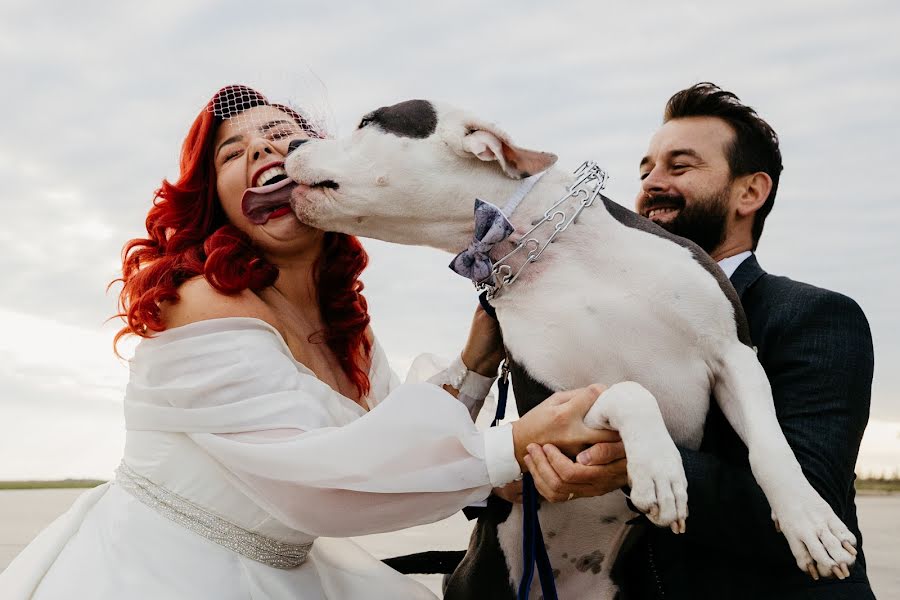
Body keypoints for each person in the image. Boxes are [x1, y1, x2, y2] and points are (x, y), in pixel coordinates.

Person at [0, 85, 614, 600]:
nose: (262, 147)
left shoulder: (346, 322)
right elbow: (318, 482)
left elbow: (393, 444)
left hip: (291, 570)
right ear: (218, 203)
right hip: (164, 571)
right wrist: (508, 449)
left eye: (278, 133)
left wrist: (480, 360)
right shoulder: (200, 302)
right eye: (231, 153)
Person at [524, 83, 875, 599]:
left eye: (679, 167)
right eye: (645, 170)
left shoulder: (816, 316)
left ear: (750, 193)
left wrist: (634, 463)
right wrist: (535, 469)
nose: (650, 184)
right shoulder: (608, 321)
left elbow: (812, 502)